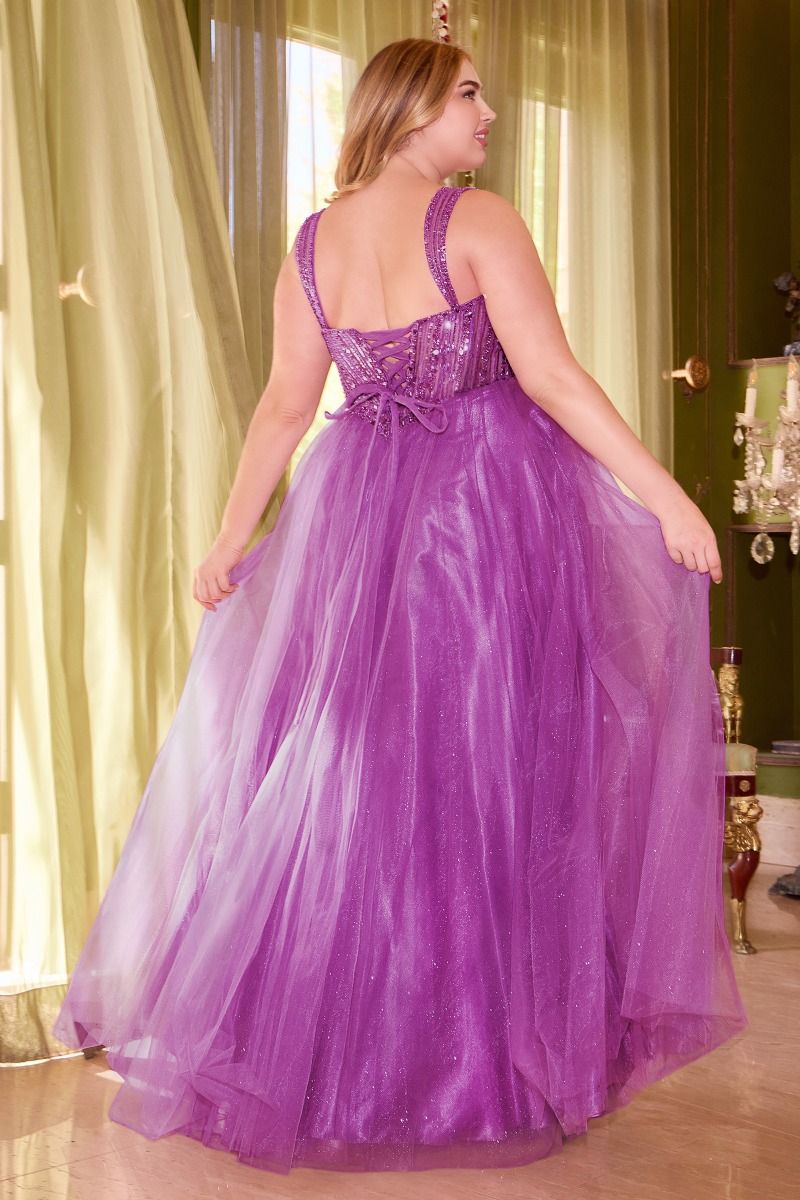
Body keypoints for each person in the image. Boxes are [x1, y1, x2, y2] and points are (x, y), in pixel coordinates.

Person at [54, 37, 748, 1175]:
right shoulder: (475, 219)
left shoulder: (312, 243)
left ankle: (347, 1069)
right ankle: (469, 1074)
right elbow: (551, 377)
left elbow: (285, 407)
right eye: (469, 93)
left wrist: (232, 536)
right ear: (414, 105)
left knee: (364, 788)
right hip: (479, 525)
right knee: (483, 782)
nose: (489, 112)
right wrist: (667, 496)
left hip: (356, 530)